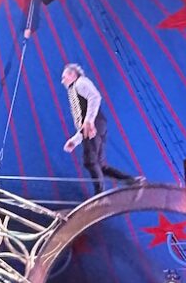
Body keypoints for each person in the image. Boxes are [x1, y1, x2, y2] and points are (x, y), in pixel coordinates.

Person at [60, 63, 141, 195]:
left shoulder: (81, 83)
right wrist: (75, 140)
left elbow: (95, 97)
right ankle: (132, 180)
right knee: (100, 166)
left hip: (95, 123)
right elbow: (83, 123)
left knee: (90, 162)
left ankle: (99, 195)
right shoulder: (75, 89)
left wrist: (89, 121)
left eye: (64, 77)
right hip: (97, 124)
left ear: (73, 75)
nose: (62, 81)